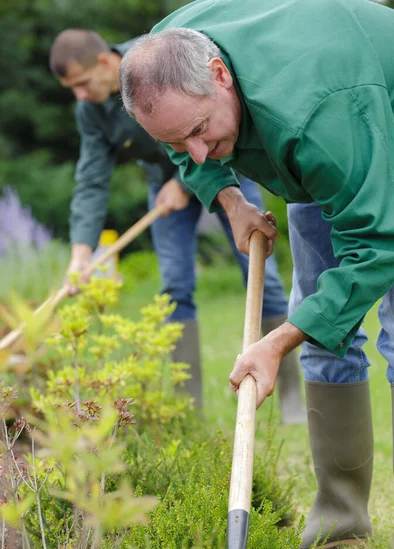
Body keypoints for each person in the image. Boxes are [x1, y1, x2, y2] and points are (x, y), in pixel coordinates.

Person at [119, 0, 394, 549]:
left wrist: (276, 343)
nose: (194, 151)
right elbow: (193, 145)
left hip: (376, 127)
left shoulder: (314, 112)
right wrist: (230, 199)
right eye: (175, 143)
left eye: (200, 130)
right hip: (321, 148)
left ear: (220, 75)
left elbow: (379, 242)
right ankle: (339, 523)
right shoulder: (167, 58)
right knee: (321, 323)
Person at [48, 29, 305, 423]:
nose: (80, 95)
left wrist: (183, 182)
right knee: (174, 288)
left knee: (260, 274)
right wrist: (82, 255)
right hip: (161, 188)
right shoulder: (91, 111)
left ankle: (289, 399)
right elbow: (92, 179)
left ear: (103, 63)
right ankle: (188, 409)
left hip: (223, 165)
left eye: (82, 83)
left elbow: (206, 118)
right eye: (71, 89)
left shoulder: (154, 60)